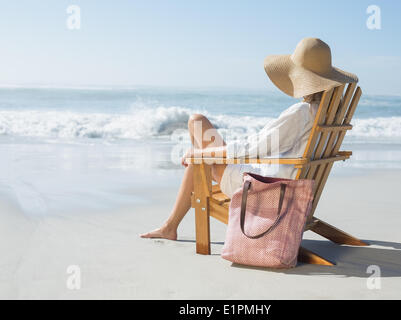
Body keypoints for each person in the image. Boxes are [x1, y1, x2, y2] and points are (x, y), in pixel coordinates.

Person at [140, 37, 358, 240]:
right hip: (285, 186)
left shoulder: (301, 113)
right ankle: (173, 219)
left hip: (265, 190)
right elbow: (263, 148)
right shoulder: (328, 115)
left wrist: (200, 154)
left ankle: (170, 226)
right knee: (197, 128)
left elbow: (254, 149)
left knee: (198, 139)